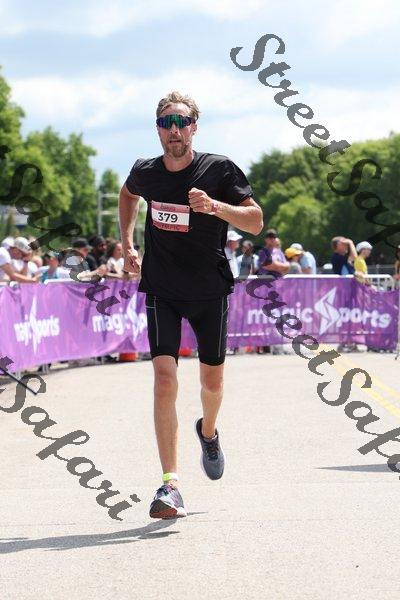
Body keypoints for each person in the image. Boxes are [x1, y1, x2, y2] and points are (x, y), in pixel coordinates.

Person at [119, 90, 263, 519]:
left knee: (211, 385)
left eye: (181, 122)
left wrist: (216, 207)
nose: (174, 131)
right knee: (164, 380)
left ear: (194, 127)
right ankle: (171, 485)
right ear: (158, 129)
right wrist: (127, 244)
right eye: (166, 123)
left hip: (208, 290)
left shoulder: (218, 169)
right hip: (161, 288)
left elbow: (256, 221)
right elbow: (127, 195)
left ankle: (209, 431)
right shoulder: (145, 172)